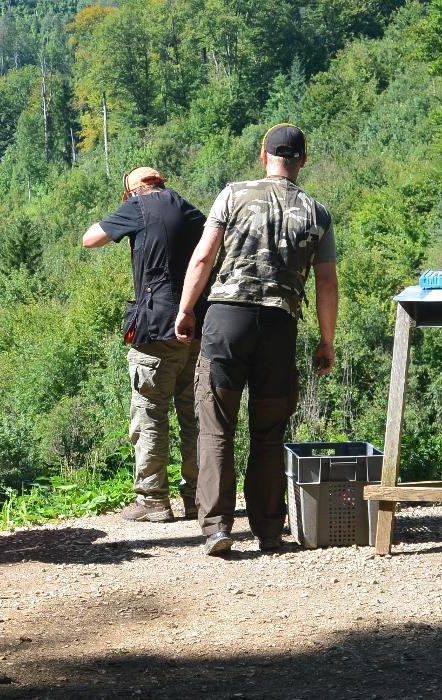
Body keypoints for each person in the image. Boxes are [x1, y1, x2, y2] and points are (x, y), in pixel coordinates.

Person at [175, 124, 338, 555]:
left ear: (263, 156)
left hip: (228, 321)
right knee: (268, 432)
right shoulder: (317, 212)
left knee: (215, 428)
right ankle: (268, 530)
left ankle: (217, 528)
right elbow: (326, 283)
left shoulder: (233, 194)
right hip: (279, 329)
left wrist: (187, 309)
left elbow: (204, 256)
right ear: (303, 160)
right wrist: (326, 341)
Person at [82, 166, 208, 522]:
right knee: (193, 415)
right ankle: (199, 497)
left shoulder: (137, 206)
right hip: (196, 324)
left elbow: (90, 239)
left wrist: (120, 215)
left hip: (156, 328)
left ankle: (153, 500)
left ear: (132, 192)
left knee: (150, 412)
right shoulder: (187, 208)